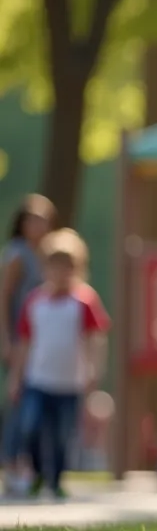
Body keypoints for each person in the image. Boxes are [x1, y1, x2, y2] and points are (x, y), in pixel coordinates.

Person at [8, 228, 109, 499]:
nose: (60, 273)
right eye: (55, 266)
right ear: (45, 268)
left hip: (69, 382)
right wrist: (16, 378)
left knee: (64, 435)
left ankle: (57, 480)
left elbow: (95, 339)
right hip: (38, 380)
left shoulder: (83, 302)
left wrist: (93, 370)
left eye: (67, 267)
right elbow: (25, 343)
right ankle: (38, 472)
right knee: (31, 427)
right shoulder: (35, 302)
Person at [0, 194, 54, 494]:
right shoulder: (18, 254)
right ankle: (11, 464)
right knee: (18, 401)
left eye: (45, 219)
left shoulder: (49, 254)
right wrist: (5, 339)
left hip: (42, 341)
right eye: (34, 219)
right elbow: (5, 297)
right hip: (21, 341)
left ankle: (32, 465)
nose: (39, 225)